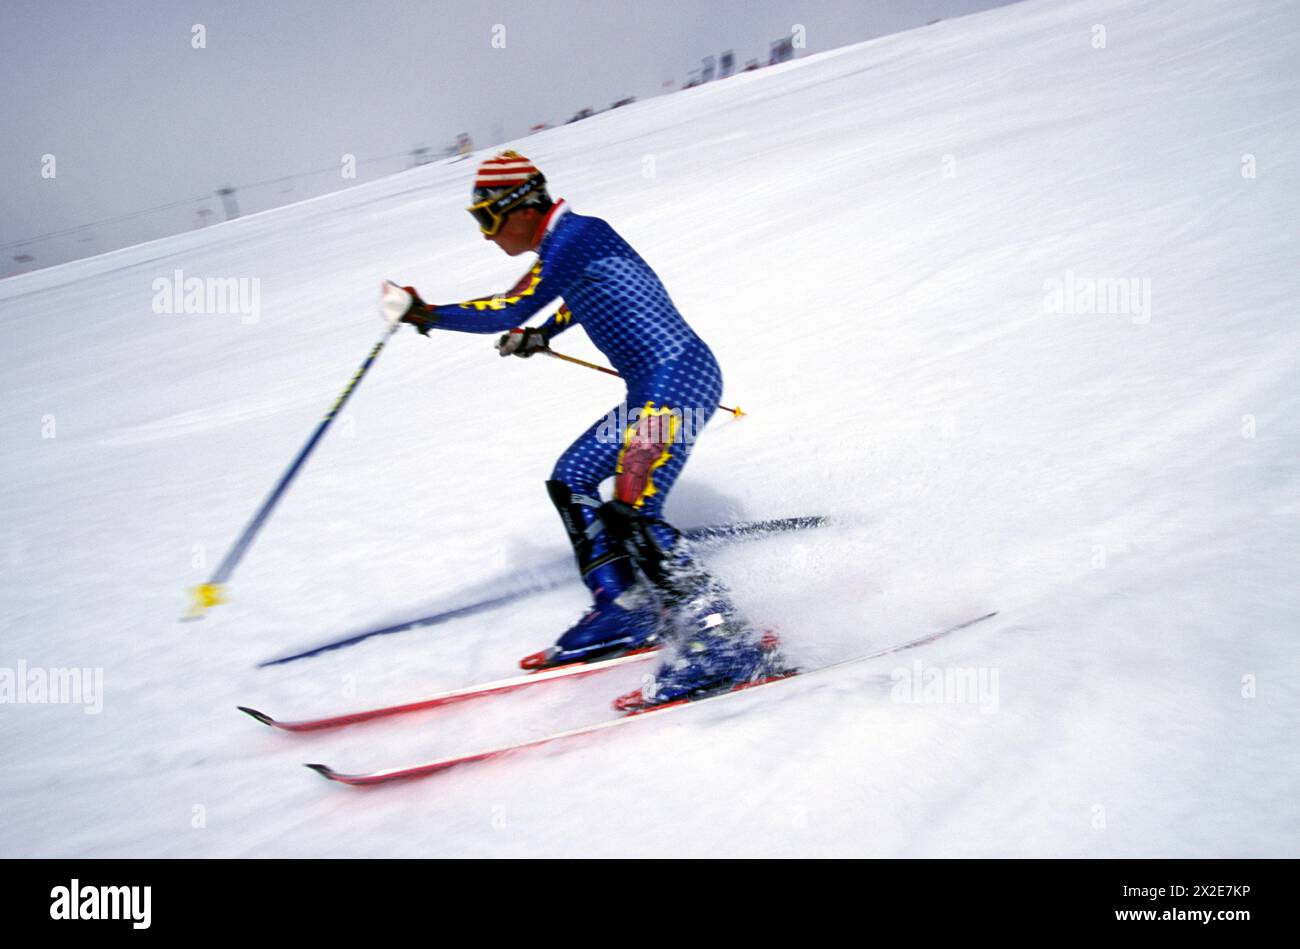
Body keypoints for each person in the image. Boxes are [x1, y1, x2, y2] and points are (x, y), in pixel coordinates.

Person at [379, 150, 783, 706]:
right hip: (650, 389)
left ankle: (724, 645)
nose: (486, 235)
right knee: (570, 479)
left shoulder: (575, 236)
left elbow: (505, 307)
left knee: (634, 509)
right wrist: (544, 333)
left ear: (520, 208)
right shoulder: (569, 246)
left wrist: (427, 314)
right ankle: (623, 612)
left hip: (679, 379)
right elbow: (585, 296)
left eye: (486, 219)